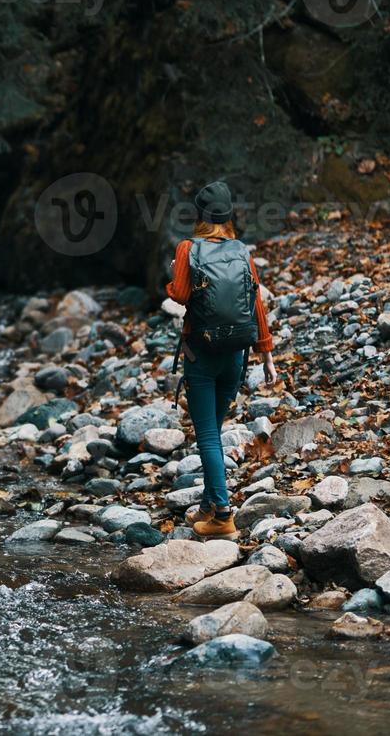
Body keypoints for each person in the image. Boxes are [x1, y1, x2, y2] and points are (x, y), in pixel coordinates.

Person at [165, 181, 277, 539]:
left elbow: (179, 296)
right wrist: (267, 355)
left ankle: (223, 517)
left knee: (209, 437)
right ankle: (209, 505)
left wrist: (173, 274)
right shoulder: (242, 251)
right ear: (229, 217)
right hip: (235, 357)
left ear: (199, 216)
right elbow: (256, 302)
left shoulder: (188, 249)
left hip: (201, 355)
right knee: (211, 431)